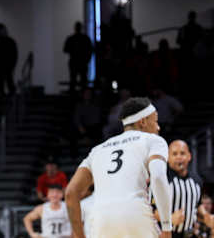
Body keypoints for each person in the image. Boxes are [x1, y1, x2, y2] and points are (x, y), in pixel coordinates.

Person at [65, 97, 173, 238]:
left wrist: (79, 236)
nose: (158, 127)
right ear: (143, 121)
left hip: (100, 220)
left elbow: (71, 192)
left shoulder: (97, 150)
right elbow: (158, 176)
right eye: (156, 121)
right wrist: (166, 227)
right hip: (136, 214)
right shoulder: (154, 140)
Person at [160, 140, 202, 237]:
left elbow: (197, 206)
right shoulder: (162, 179)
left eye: (182, 153)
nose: (179, 157)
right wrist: (170, 218)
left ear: (189, 156)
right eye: (174, 154)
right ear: (168, 158)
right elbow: (152, 210)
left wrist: (206, 216)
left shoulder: (197, 180)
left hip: (189, 234)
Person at [63, 22, 92, 95]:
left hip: (77, 62)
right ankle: (79, 98)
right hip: (79, 63)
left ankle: (77, 98)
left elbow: (66, 49)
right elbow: (66, 49)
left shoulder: (72, 38)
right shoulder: (85, 38)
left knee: (78, 81)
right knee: (78, 82)